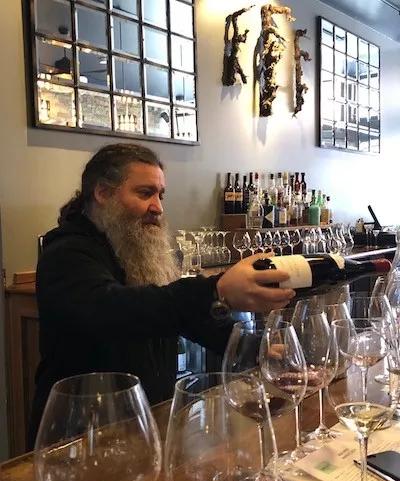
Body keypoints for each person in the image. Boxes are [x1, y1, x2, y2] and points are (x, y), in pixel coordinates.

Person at [29, 143, 295, 447]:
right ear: (102, 193)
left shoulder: (130, 248)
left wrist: (255, 348)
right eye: (145, 193)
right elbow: (115, 311)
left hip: (144, 423)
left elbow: (180, 316)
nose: (158, 207)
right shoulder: (66, 253)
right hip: (80, 435)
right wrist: (216, 289)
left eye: (160, 195)